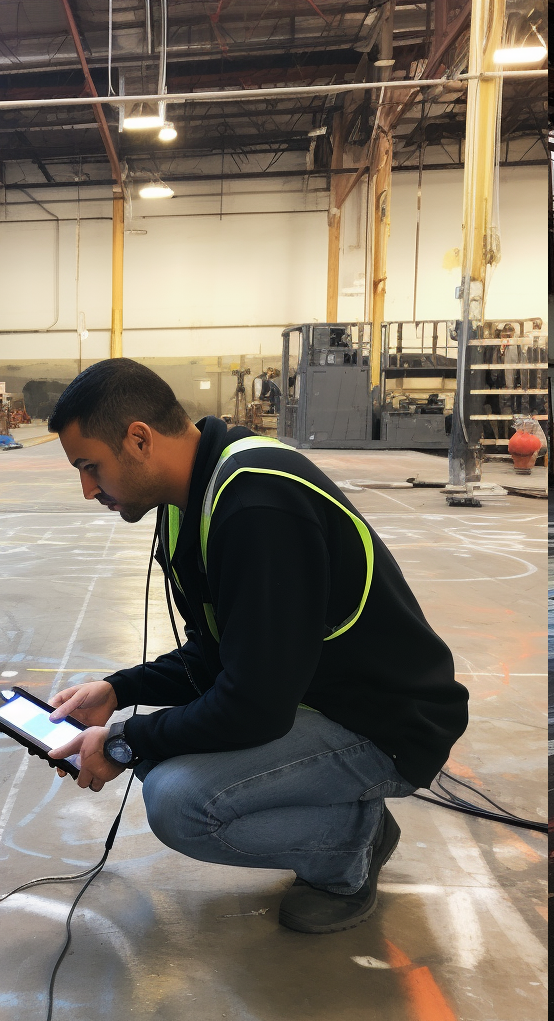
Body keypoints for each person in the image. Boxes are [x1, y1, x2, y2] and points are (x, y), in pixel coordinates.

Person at [44, 358, 468, 934]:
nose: (88, 489)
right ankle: (346, 822)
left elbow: (253, 705)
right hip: (315, 696)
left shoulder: (256, 501)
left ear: (138, 439)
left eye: (90, 466)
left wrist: (121, 741)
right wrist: (119, 692)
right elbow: (215, 655)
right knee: (158, 754)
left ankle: (349, 847)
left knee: (178, 800)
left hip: (386, 723)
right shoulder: (188, 506)